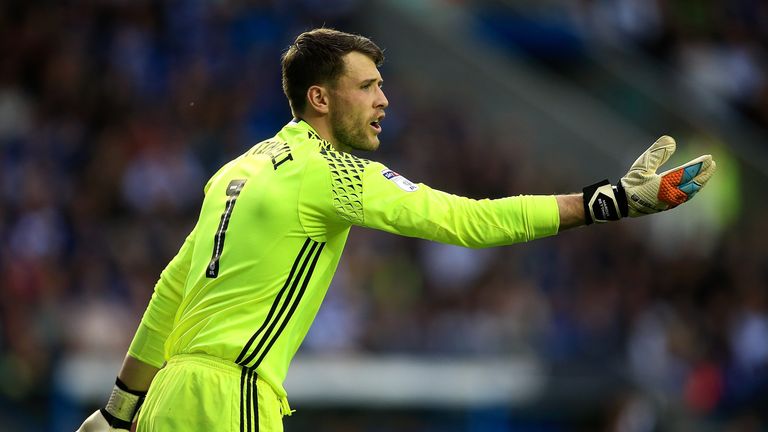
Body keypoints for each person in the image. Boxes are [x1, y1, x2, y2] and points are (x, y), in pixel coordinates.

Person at [76, 28, 716, 432]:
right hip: (230, 400)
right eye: (368, 86)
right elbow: (469, 221)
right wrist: (601, 203)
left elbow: (170, 288)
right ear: (321, 99)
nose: (384, 100)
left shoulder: (234, 171)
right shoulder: (331, 172)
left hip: (166, 401)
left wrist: (118, 411)